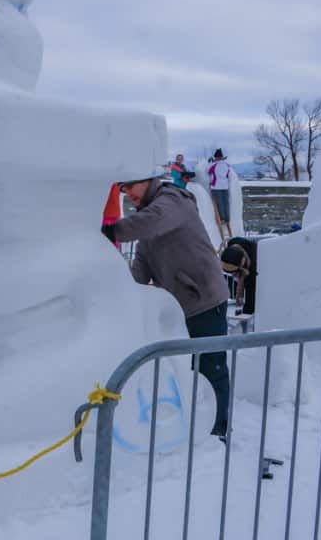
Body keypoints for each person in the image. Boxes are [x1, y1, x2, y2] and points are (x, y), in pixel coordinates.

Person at [101, 173, 231, 442]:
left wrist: (111, 231)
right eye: (122, 189)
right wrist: (117, 290)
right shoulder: (147, 224)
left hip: (206, 299)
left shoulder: (172, 200)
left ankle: (218, 431)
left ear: (149, 180)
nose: (128, 193)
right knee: (189, 371)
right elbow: (140, 269)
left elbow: (153, 222)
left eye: (131, 185)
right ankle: (196, 426)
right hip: (181, 308)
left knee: (211, 368)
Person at [220, 237, 258, 315]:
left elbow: (250, 295)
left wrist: (245, 313)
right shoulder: (232, 243)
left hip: (253, 270)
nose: (233, 275)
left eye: (234, 273)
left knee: (250, 296)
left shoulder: (255, 260)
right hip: (243, 264)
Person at [208, 149, 233, 240]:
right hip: (225, 186)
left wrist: (210, 163)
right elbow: (227, 174)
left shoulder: (214, 165)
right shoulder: (227, 165)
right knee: (226, 202)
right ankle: (227, 218)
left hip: (216, 187)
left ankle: (222, 219)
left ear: (217, 157)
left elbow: (209, 171)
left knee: (219, 203)